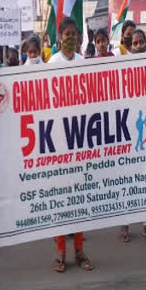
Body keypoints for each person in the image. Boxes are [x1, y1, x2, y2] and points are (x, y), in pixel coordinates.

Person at [47, 17, 95, 272]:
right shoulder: (51, 63)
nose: (70, 38)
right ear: (59, 36)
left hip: (80, 139)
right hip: (58, 140)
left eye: (74, 34)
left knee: (80, 200)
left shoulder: (82, 63)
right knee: (60, 200)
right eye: (66, 33)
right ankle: (60, 253)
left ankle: (79, 250)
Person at [117, 28, 146, 242]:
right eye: (135, 43)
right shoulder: (122, 67)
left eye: (141, 41)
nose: (139, 45)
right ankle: (125, 224)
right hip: (127, 130)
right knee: (128, 178)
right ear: (129, 45)